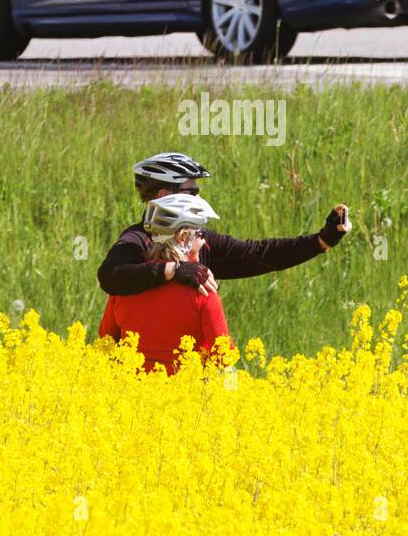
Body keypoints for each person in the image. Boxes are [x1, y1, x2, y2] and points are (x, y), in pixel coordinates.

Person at [97, 152, 350, 298]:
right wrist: (172, 271)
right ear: (164, 196)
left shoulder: (200, 240)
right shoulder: (137, 239)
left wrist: (320, 241)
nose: (198, 198)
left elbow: (257, 254)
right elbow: (110, 276)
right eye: (190, 191)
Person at [98, 193, 231, 373]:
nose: (204, 240)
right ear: (183, 237)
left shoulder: (126, 285)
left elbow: (106, 342)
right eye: (200, 233)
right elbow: (223, 357)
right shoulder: (203, 290)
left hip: (129, 394)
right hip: (186, 394)